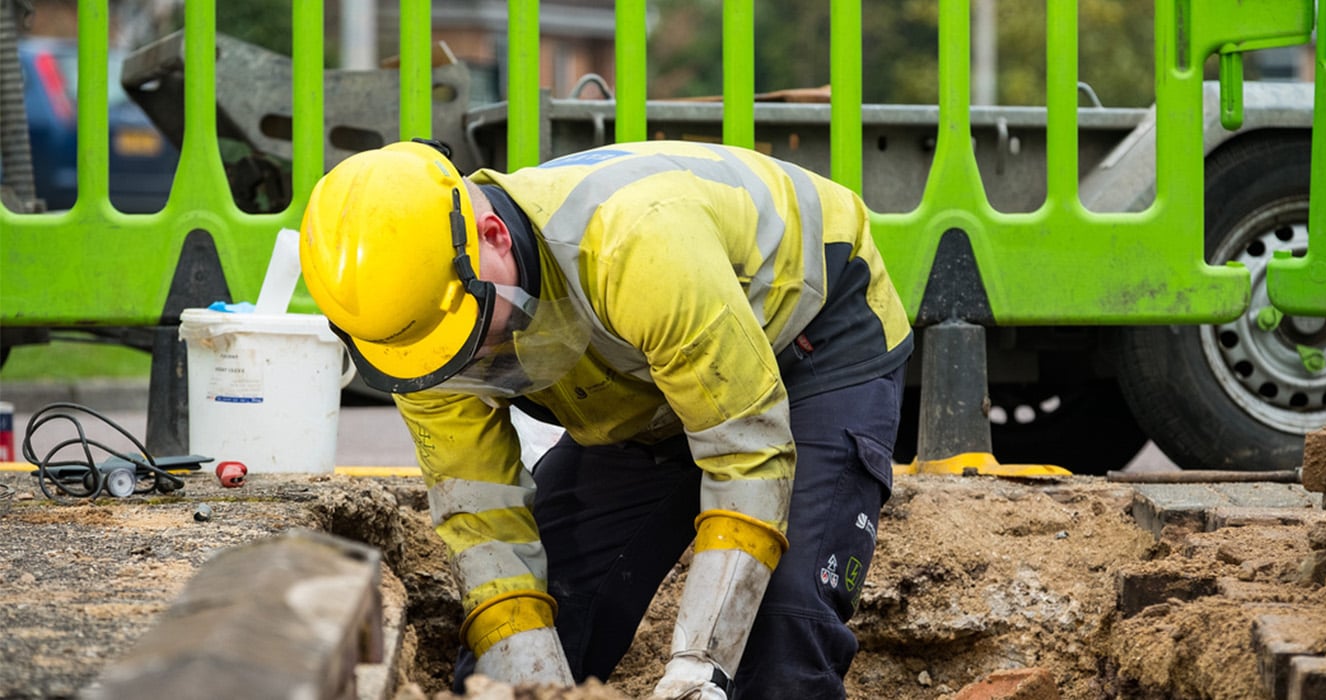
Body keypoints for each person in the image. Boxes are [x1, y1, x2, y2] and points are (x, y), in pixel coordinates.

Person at [299, 138, 913, 699]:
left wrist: (699, 666)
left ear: (493, 235)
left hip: (810, 333)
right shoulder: (412, 342)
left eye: (471, 333)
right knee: (521, 640)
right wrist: (534, 686)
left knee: (782, 630)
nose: (470, 361)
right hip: (648, 378)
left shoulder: (637, 246)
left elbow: (746, 453)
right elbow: (482, 521)